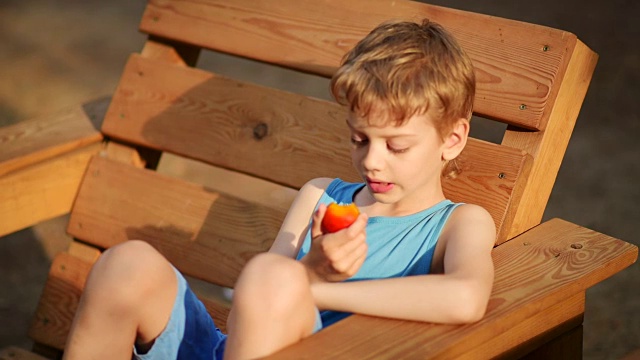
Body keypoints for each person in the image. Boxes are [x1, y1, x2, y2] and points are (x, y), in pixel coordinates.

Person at [63, 19, 495, 360]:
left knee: (275, 276)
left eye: (396, 145)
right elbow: (254, 302)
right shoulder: (321, 195)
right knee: (127, 264)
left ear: (453, 140)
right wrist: (310, 270)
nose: (371, 160)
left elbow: (466, 297)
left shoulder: (458, 224)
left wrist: (316, 289)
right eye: (359, 139)